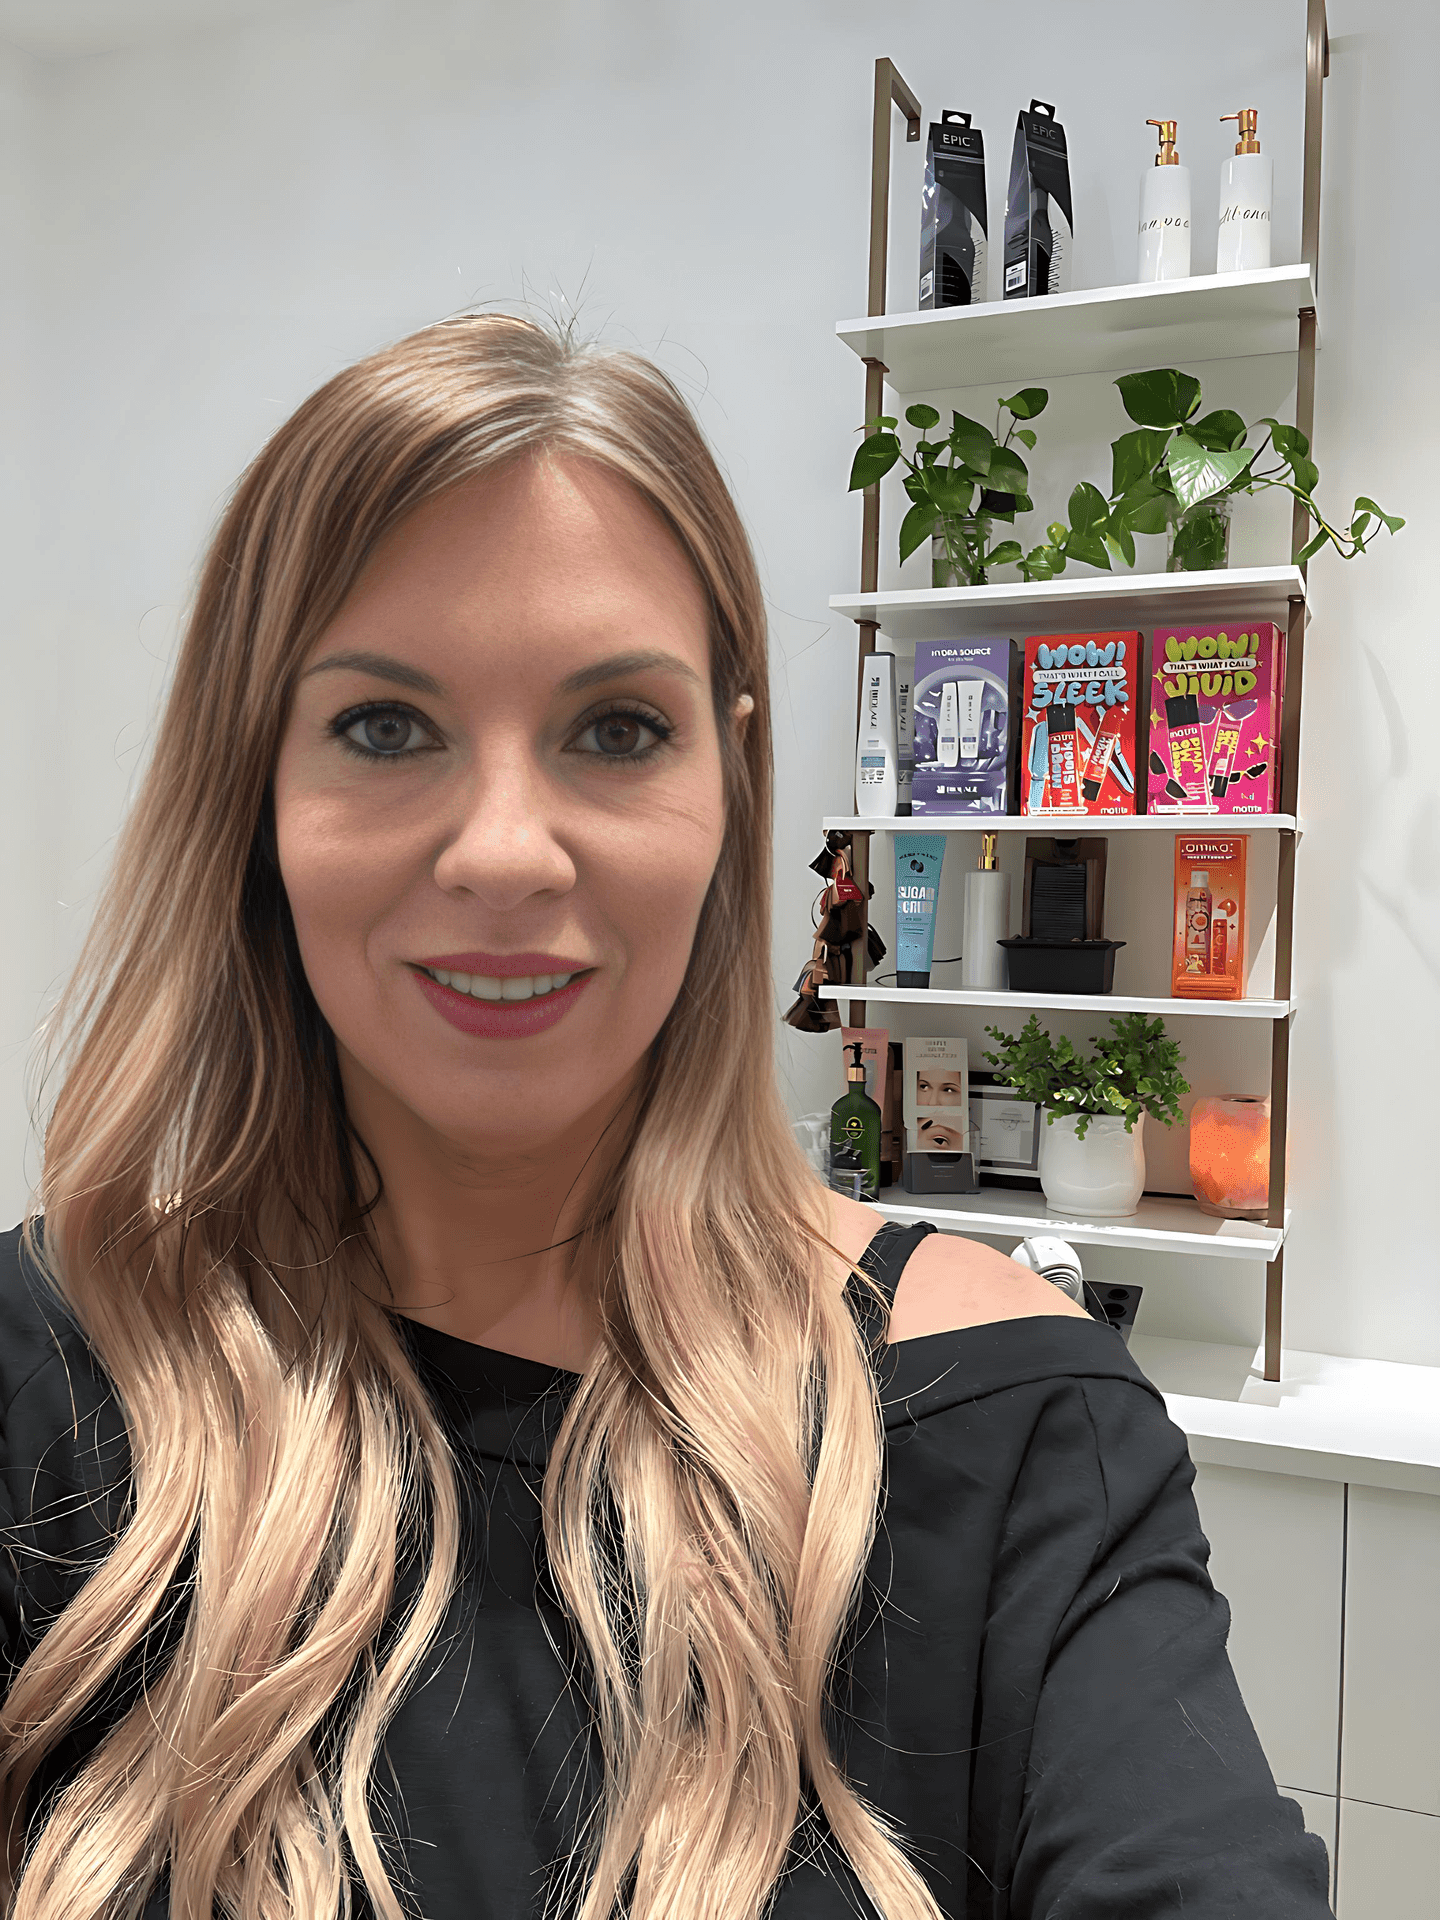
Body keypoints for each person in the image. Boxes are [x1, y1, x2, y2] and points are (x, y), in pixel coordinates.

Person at [0, 315, 1332, 1920]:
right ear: (257, 794)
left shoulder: (1018, 1431)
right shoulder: (51, 1379)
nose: (506, 852)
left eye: (617, 730)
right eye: (383, 727)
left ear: (727, 786)